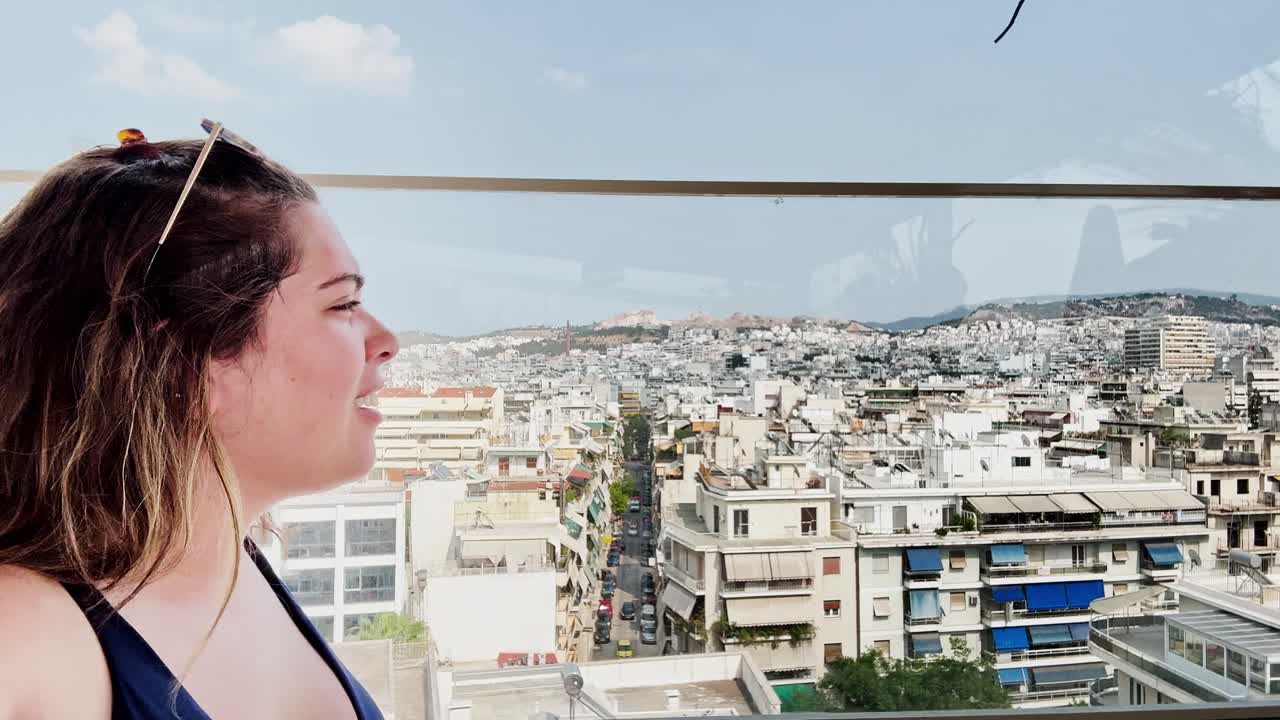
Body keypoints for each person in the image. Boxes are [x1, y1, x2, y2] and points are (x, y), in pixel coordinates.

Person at [0, 122, 398, 719]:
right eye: (342, 303)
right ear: (187, 363)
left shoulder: (239, 568)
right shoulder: (23, 639)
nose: (386, 339)